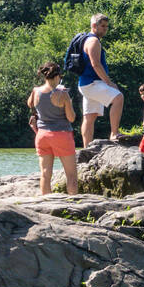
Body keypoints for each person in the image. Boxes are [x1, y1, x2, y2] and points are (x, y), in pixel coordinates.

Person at [27, 62, 79, 196]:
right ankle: (73, 204)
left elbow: (30, 104)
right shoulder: (63, 94)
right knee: (71, 176)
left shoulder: (35, 91)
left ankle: (46, 204)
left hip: (43, 135)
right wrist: (69, 102)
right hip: (62, 135)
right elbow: (71, 117)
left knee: (45, 174)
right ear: (57, 77)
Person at [78, 13, 124, 147]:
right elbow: (95, 64)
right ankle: (114, 133)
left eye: (106, 26)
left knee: (89, 116)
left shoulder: (87, 39)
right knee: (118, 98)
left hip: (86, 84)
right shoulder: (93, 41)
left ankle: (87, 149)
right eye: (102, 26)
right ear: (94, 26)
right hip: (92, 83)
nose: (105, 29)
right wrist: (109, 83)